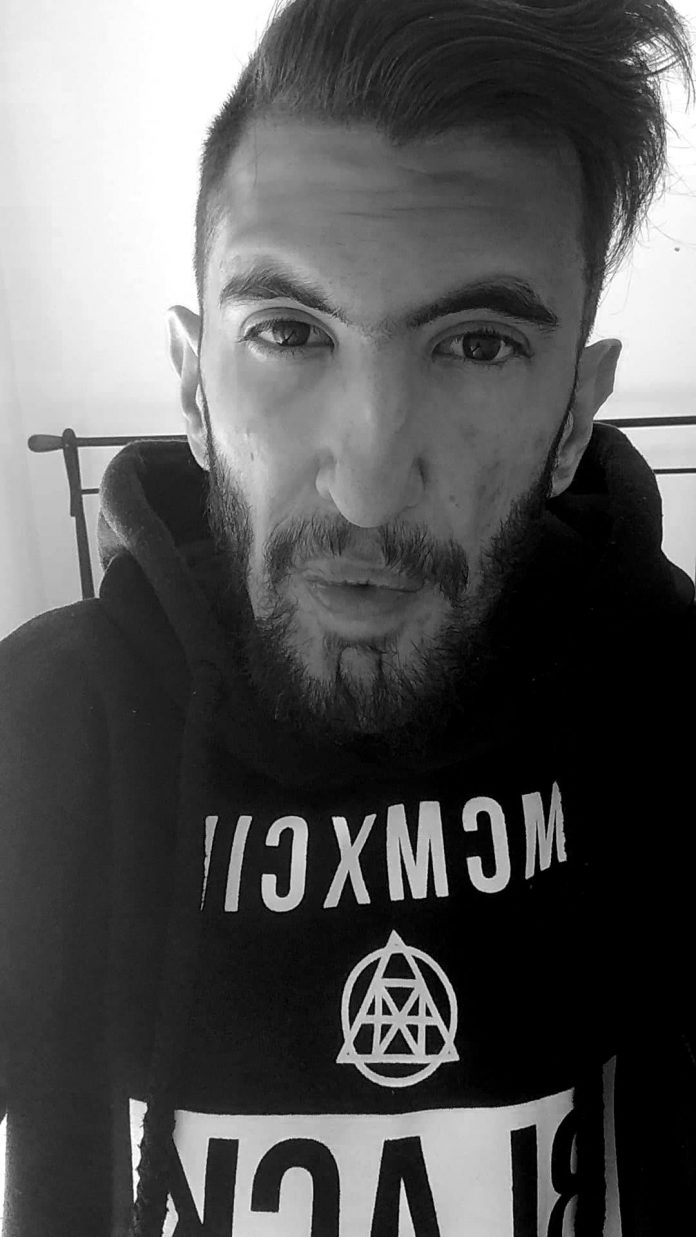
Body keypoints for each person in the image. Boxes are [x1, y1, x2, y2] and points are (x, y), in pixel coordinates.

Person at [1, 0, 695, 1233]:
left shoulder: (683, 703)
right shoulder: (43, 731)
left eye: (478, 345)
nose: (367, 488)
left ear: (575, 414)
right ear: (194, 388)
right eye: (288, 332)